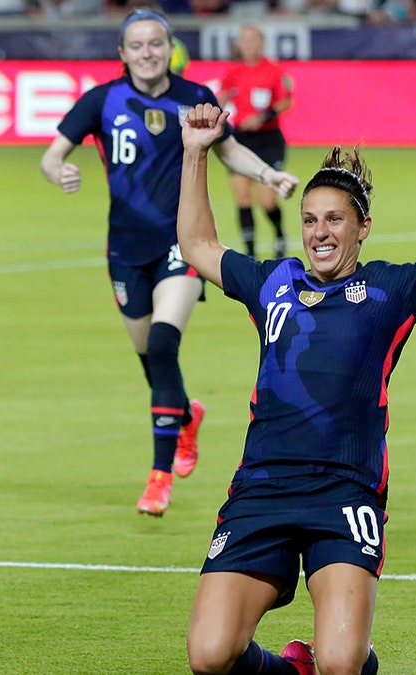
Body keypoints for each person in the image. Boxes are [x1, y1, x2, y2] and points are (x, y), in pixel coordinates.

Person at [179, 104, 416, 675]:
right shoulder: (272, 282)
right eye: (310, 219)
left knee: (342, 661)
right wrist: (195, 152)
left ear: (362, 228)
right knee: (209, 654)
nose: (319, 232)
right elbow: (197, 245)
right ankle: (288, 670)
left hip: (345, 493)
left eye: (335, 220)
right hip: (262, 489)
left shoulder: (396, 288)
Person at [39, 9, 299, 517]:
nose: (147, 53)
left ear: (169, 46)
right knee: (151, 359)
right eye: (137, 45)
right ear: (122, 53)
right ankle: (185, 415)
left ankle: (158, 478)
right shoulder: (102, 100)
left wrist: (269, 174)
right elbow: (52, 155)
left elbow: (229, 151)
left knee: (163, 342)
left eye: (156, 43)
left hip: (183, 243)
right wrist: (60, 172)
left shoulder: (195, 98)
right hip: (124, 250)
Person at [216, 24, 293, 259]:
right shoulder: (233, 72)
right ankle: (250, 255)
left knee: (267, 200)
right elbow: (221, 96)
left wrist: (262, 117)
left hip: (268, 139)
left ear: (261, 43)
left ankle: (279, 234)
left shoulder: (274, 70)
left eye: (252, 40)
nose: (248, 45)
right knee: (242, 198)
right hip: (241, 138)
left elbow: (286, 101)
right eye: (244, 41)